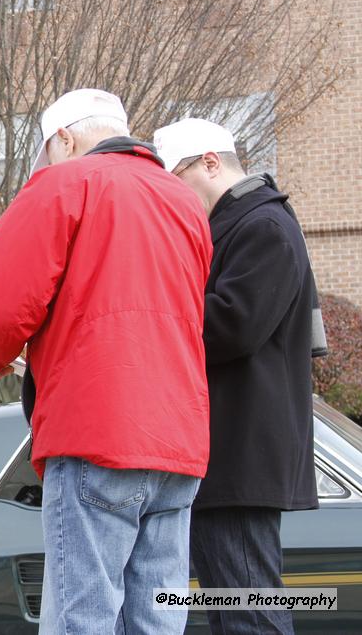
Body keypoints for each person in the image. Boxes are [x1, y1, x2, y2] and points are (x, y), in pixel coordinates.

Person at [0, 89, 213, 634]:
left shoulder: (62, 184)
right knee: (158, 617)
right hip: (178, 437)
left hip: (96, 429)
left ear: (65, 139)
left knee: (83, 617)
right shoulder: (184, 200)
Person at [154, 118, 320, 634]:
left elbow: (232, 325)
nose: (174, 197)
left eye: (176, 179)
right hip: (231, 455)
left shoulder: (262, 226)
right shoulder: (248, 224)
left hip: (240, 456)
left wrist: (153, 312)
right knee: (240, 608)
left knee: (249, 612)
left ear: (209, 162)